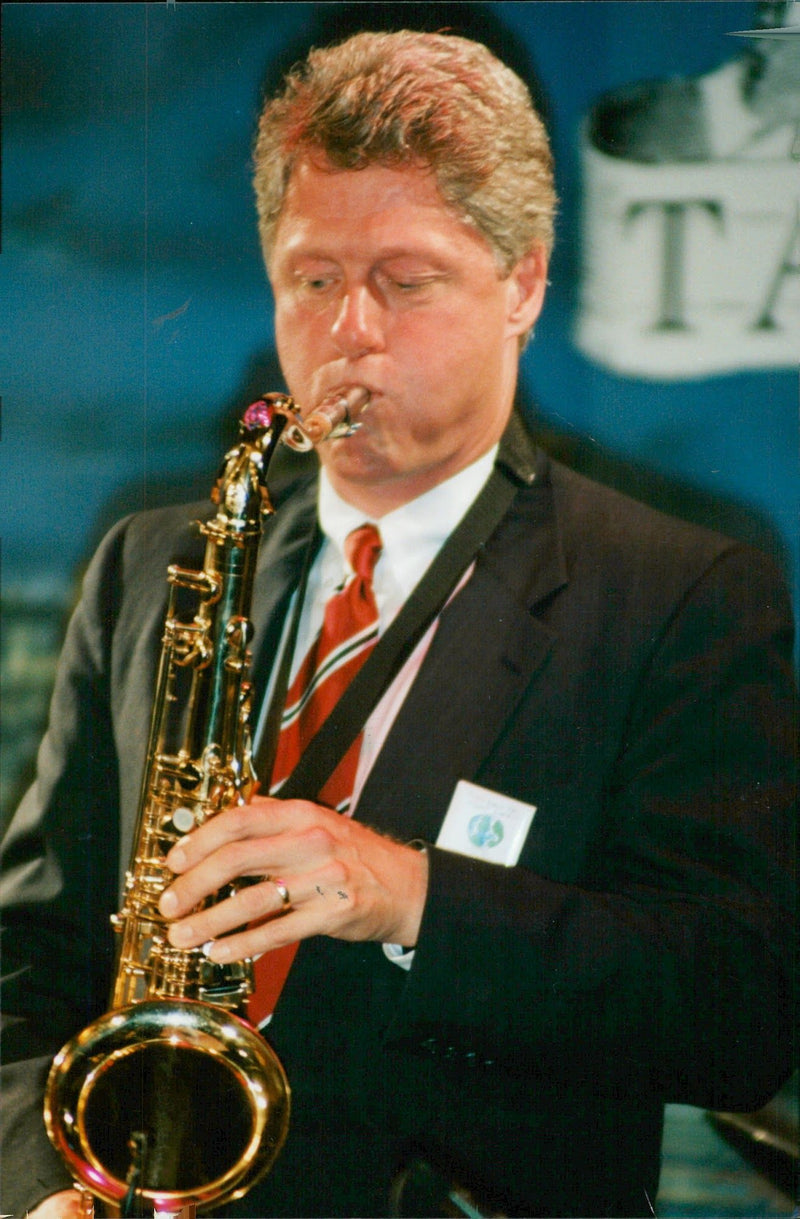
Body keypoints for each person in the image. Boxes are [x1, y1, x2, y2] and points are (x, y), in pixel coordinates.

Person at [1, 28, 796, 1219]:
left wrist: (411, 895)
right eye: (313, 279)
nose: (348, 333)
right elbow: (31, 956)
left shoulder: (679, 591)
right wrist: (44, 1185)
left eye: (405, 281)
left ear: (521, 283)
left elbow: (737, 1014)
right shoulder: (148, 563)